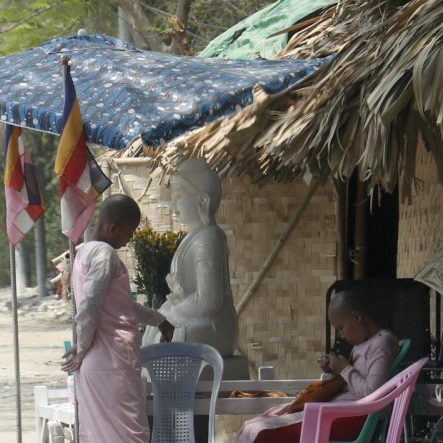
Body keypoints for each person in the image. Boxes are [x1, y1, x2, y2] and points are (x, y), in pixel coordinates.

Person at [61, 194, 176, 442]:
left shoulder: (84, 253)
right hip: (111, 361)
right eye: (130, 231)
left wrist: (159, 319)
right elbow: (89, 305)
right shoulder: (104, 255)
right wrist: (81, 348)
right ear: (113, 228)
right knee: (129, 434)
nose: (131, 238)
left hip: (96, 363)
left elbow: (119, 304)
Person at [232, 289, 399, 443]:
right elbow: (354, 382)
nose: (342, 335)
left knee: (260, 433)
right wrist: (336, 371)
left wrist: (345, 369)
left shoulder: (381, 343)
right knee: (254, 424)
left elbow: (375, 395)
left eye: (341, 328)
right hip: (335, 413)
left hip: (347, 419)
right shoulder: (362, 343)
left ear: (356, 317)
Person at [143, 157, 238, 356]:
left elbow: (209, 300)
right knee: (153, 331)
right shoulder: (197, 236)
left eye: (178, 196)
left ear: (202, 200)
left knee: (167, 337)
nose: (171, 204)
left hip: (214, 325)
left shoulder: (209, 237)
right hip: (194, 315)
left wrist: (173, 312)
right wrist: (165, 311)